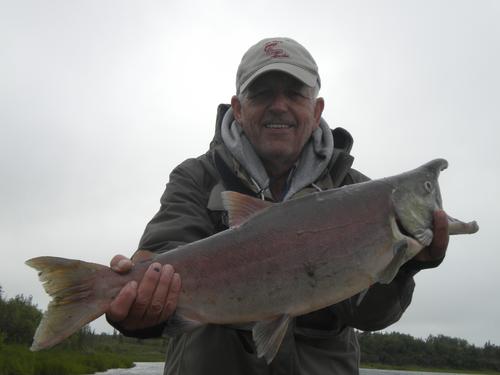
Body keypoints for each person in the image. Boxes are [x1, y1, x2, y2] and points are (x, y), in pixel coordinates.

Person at [106, 37, 449, 375]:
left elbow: (369, 316)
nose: (279, 105)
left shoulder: (355, 190)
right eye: (263, 93)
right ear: (238, 108)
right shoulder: (196, 177)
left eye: (295, 93)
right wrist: (142, 304)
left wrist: (404, 265)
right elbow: (165, 251)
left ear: (316, 111)